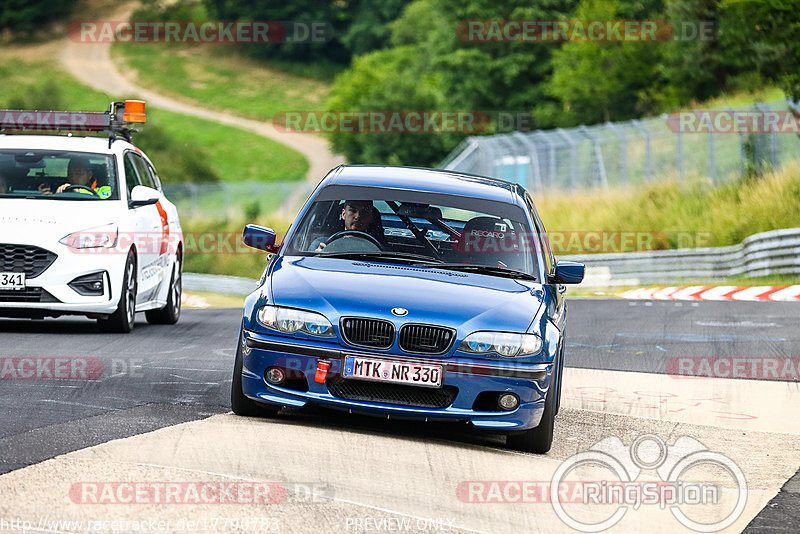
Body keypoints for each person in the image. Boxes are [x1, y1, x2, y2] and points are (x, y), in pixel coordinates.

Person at [311, 199, 383, 252]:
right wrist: (317, 257)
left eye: (364, 212)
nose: (358, 216)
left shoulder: (381, 250)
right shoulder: (321, 244)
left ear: (370, 217)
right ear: (343, 214)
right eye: (353, 210)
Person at [41, 156, 111, 198]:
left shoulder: (105, 189)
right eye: (70, 173)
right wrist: (50, 196)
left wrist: (78, 192)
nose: (73, 177)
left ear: (89, 175)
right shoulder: (62, 190)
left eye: (78, 173)